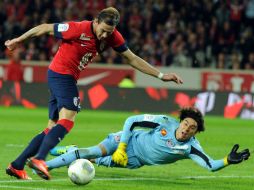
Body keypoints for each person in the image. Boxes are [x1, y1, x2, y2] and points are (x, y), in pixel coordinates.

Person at [4, 7, 183, 180]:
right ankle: (39, 159)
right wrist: (18, 40)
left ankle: (17, 165)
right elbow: (44, 28)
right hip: (61, 74)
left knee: (52, 127)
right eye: (103, 30)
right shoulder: (78, 28)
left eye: (109, 32)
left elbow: (132, 58)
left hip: (64, 77)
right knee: (67, 120)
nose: (105, 36)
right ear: (95, 21)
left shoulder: (113, 36)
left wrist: (161, 75)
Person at [46, 107, 250, 172]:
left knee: (92, 160)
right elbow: (132, 121)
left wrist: (226, 161)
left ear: (195, 133)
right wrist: (122, 147)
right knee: (92, 152)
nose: (187, 129)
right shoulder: (164, 123)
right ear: (180, 122)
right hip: (126, 141)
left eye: (192, 128)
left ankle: (71, 149)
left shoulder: (190, 148)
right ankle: (44, 165)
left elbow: (210, 166)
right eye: (186, 124)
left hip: (134, 161)